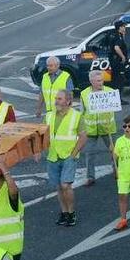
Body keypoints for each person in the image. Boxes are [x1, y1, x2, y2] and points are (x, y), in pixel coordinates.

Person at [46, 89, 86, 226]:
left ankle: (71, 212)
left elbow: (83, 137)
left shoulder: (76, 116)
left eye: (59, 99)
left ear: (68, 101)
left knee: (65, 185)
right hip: (53, 156)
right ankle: (64, 213)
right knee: (58, 186)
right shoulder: (49, 115)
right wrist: (38, 150)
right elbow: (45, 135)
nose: (56, 101)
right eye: (56, 98)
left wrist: (73, 154)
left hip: (68, 156)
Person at [79, 70, 117, 186]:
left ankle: (117, 170)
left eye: (102, 80)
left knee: (114, 151)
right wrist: (81, 129)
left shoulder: (110, 92)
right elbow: (82, 112)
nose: (101, 83)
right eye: (98, 81)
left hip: (107, 127)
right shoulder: (84, 94)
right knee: (89, 154)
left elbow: (116, 106)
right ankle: (90, 177)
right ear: (91, 81)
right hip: (91, 129)